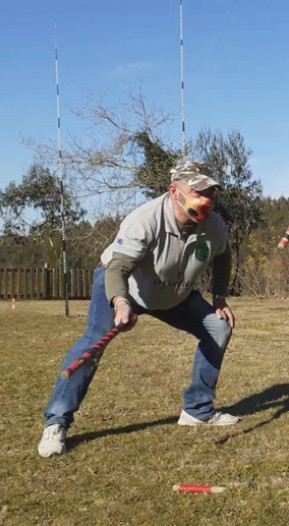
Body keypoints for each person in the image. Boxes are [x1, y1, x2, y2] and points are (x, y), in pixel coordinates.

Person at [38, 161, 238, 458]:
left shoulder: (215, 225)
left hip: (174, 294)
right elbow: (117, 268)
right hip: (126, 288)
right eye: (197, 192)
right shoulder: (145, 220)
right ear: (175, 192)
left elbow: (222, 257)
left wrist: (219, 298)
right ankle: (56, 423)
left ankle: (197, 410)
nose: (206, 200)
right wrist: (120, 303)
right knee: (92, 347)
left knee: (218, 328)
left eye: (211, 193)